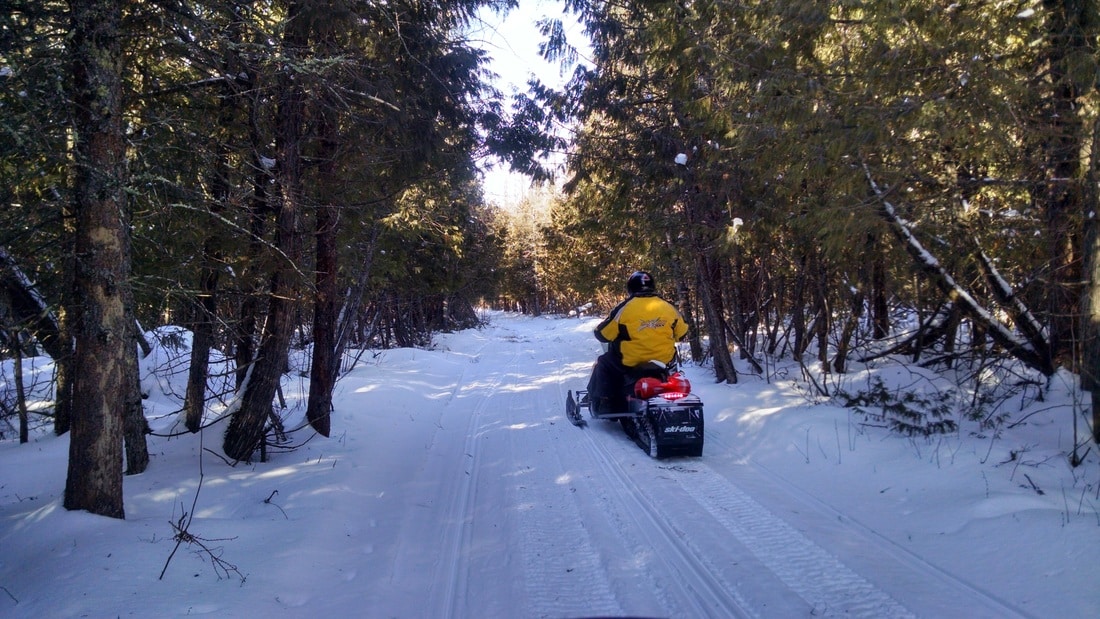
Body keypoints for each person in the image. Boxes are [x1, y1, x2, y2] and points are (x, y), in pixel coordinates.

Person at [585, 270, 688, 413]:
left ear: (631, 287)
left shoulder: (625, 308)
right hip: (663, 362)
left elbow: (603, 334)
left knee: (604, 362)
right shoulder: (668, 307)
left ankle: (605, 401)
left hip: (631, 363)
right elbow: (682, 333)